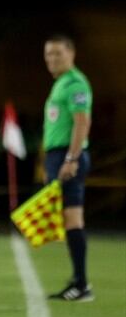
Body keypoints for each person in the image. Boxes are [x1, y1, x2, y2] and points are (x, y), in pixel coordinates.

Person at [42, 34, 94, 302]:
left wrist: (71, 159)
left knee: (73, 218)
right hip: (57, 156)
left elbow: (81, 122)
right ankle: (77, 280)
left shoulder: (75, 83)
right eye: (48, 54)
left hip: (68, 156)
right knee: (66, 219)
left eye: (58, 54)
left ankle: (82, 284)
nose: (52, 59)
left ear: (71, 53)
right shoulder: (61, 84)